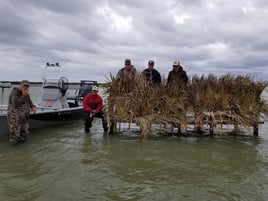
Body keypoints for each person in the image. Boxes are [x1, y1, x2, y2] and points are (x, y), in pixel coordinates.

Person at [7, 80, 37, 144]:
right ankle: (14, 151)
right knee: (15, 135)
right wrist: (23, 95)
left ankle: (23, 149)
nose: (25, 87)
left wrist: (33, 106)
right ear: (20, 85)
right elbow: (16, 104)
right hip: (15, 119)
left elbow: (30, 102)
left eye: (27, 86)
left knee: (24, 133)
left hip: (24, 118)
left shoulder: (26, 93)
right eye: (24, 86)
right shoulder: (14, 93)